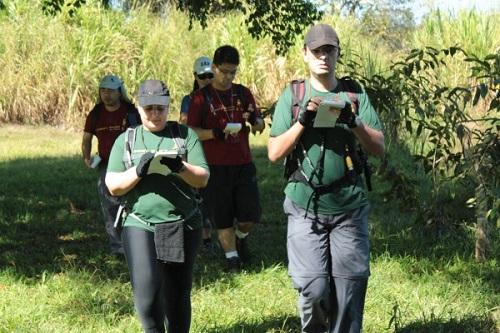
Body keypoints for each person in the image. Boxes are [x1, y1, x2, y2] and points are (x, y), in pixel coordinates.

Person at [267, 24, 385, 333]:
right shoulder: (293, 95)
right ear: (305, 54)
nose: (323, 56)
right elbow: (274, 153)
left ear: (337, 54)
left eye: (329, 50)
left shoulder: (354, 93)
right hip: (305, 204)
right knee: (313, 288)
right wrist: (302, 121)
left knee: (349, 290)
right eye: (317, 50)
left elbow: (378, 147)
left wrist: (353, 120)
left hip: (349, 204)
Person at [105, 79, 209, 333]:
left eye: (161, 108)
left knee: (177, 295)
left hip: (182, 224)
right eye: (149, 108)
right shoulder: (127, 140)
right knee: (148, 296)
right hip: (140, 223)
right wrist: (138, 171)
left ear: (168, 106)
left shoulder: (184, 136)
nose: (155, 114)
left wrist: (181, 167)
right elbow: (113, 185)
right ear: (139, 109)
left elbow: (203, 178)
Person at [187, 45, 265, 271]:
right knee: (221, 216)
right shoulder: (201, 98)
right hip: (215, 165)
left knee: (250, 214)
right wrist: (213, 133)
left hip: (243, 163)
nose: (229, 77)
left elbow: (259, 126)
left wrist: (255, 121)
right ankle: (232, 259)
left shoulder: (243, 92)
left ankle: (241, 237)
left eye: (233, 72)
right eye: (224, 71)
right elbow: (190, 131)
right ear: (213, 67)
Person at [81, 74, 140, 255]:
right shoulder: (96, 113)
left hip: (129, 164)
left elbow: (140, 135)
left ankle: (136, 242)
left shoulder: (130, 111)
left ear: (119, 92)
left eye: (111, 91)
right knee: (109, 205)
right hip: (106, 165)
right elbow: (87, 138)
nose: (107, 94)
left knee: (133, 203)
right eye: (103, 90)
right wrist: (86, 157)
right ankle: (118, 247)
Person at [179, 56, 215, 252]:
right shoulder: (189, 100)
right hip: (196, 153)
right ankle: (205, 236)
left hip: (219, 154)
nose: (207, 79)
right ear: (195, 77)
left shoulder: (222, 97)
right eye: (203, 76)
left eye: (210, 75)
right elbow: (184, 123)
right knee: (198, 197)